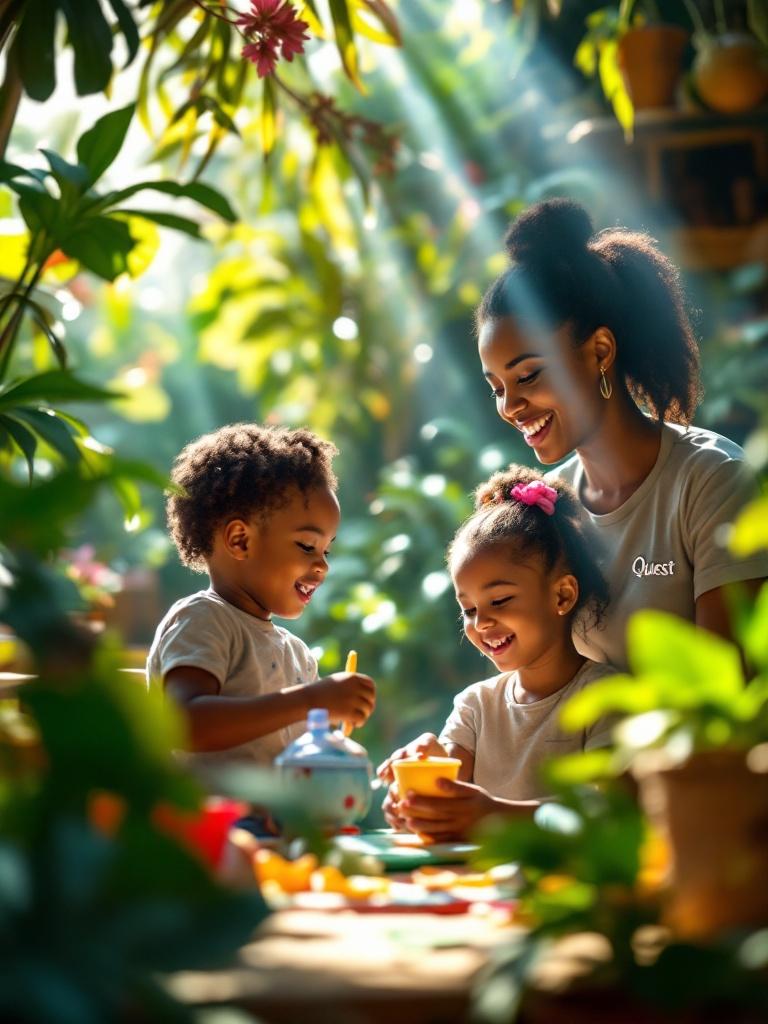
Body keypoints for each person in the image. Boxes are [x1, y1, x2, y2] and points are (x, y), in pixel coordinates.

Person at [475, 198, 768, 669]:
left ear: (600, 350)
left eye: (528, 376)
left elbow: (727, 698)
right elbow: (534, 687)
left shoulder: (712, 481)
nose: (510, 407)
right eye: (497, 388)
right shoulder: (551, 506)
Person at [379, 464, 617, 841]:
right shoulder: (475, 707)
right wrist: (412, 796)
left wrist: (497, 815)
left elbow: (608, 811)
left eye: (500, 600)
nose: (482, 623)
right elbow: (446, 792)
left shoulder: (604, 697)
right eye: (469, 609)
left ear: (562, 595)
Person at [146, 423, 376, 775]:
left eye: (327, 551)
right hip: (212, 826)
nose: (322, 566)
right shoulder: (204, 619)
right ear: (240, 540)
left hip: (279, 827)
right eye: (307, 546)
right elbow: (182, 725)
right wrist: (312, 702)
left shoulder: (298, 655)